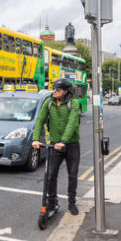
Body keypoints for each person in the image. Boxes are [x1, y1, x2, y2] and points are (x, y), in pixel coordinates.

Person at [32, 78, 81, 216]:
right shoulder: (49, 103)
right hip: (54, 145)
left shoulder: (73, 104)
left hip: (71, 145)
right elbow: (40, 120)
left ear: (65, 91)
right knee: (50, 175)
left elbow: (72, 124)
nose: (54, 91)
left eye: (58, 89)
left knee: (72, 175)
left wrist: (64, 141)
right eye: (54, 88)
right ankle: (52, 202)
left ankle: (72, 202)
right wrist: (35, 139)